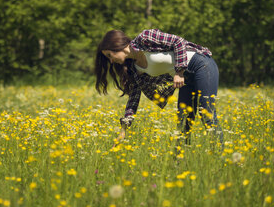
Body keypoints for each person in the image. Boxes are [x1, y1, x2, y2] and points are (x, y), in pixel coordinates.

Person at [95, 29, 223, 149]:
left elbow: (178, 41)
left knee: (206, 112)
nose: (111, 61)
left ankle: (221, 155)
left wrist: (179, 72)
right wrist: (123, 130)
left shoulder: (145, 38)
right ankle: (179, 163)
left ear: (116, 45)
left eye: (109, 55)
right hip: (186, 79)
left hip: (201, 65)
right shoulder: (134, 69)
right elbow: (133, 100)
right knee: (183, 121)